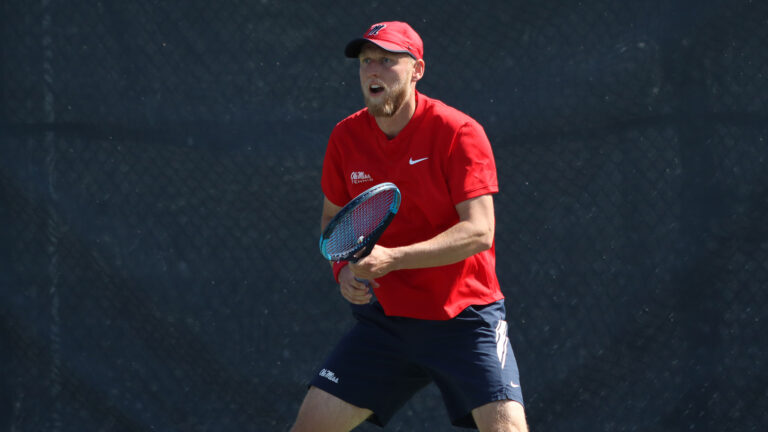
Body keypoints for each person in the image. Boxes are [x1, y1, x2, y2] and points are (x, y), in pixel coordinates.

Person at [291, 21, 528, 432]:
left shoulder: (458, 132)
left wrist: (394, 259)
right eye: (366, 61)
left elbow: (478, 232)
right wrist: (343, 269)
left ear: (417, 70)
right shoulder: (346, 137)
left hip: (464, 319)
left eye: (387, 60)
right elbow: (334, 219)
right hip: (387, 322)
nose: (373, 70)